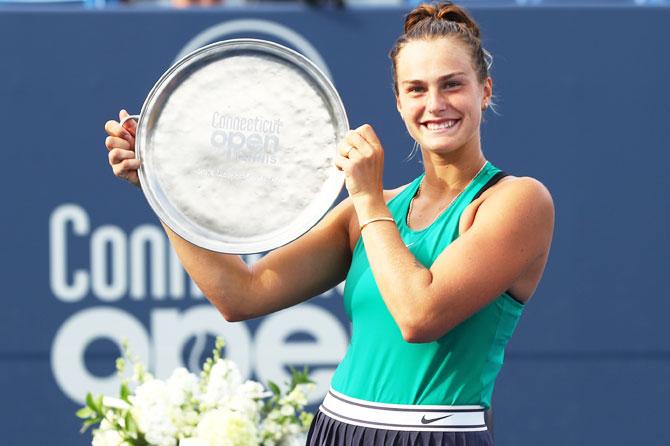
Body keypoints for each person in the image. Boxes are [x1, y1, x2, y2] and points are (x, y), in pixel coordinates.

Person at [103, 2, 554, 444]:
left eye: (452, 85)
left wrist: (366, 198)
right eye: (416, 89)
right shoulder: (373, 209)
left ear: (485, 90)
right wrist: (161, 185)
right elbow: (240, 294)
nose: (435, 104)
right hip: (335, 428)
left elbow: (420, 315)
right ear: (398, 102)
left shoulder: (517, 202)